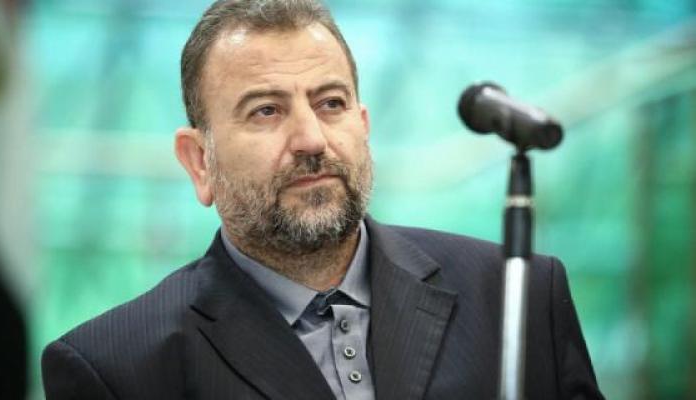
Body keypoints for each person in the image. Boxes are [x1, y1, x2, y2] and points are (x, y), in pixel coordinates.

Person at [41, 0, 604, 399]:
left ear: (364, 125)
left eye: (331, 103)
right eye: (266, 110)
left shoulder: (516, 294)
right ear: (199, 161)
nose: (311, 139)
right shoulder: (116, 369)